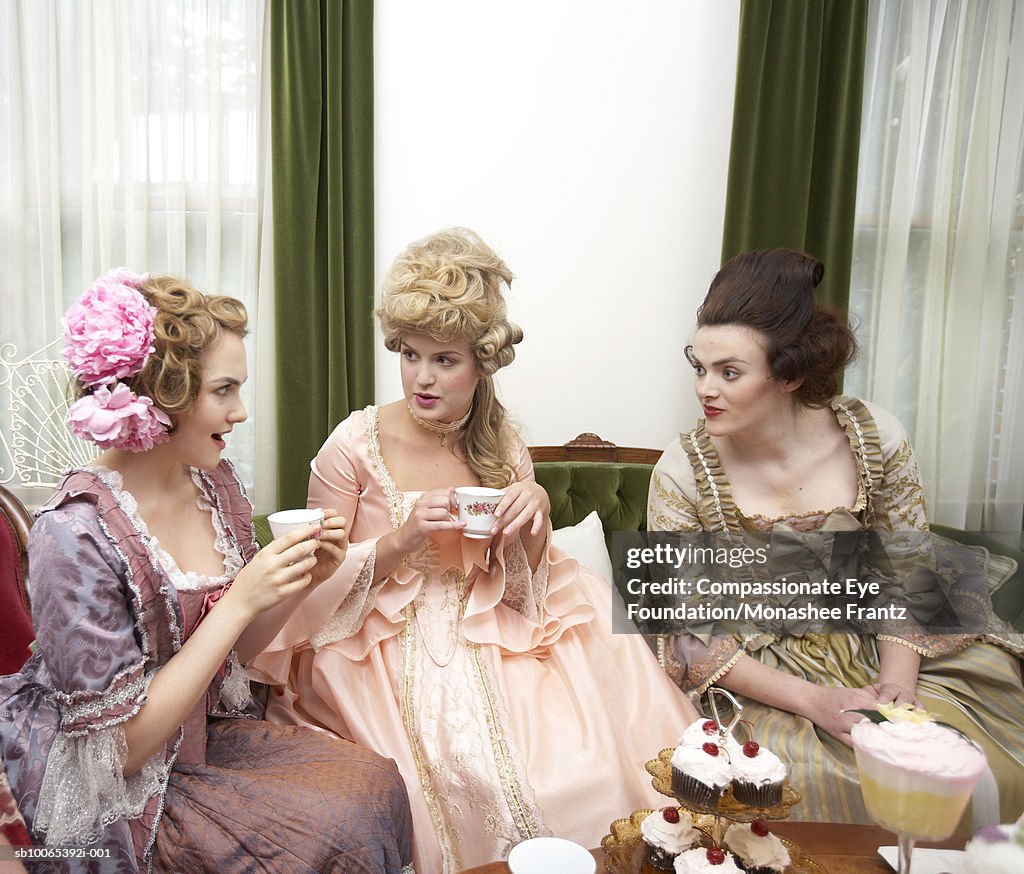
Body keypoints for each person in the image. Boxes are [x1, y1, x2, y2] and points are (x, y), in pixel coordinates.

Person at [249, 228, 701, 873]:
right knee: (430, 778)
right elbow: (311, 580)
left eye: (444, 360)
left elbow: (526, 587)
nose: (421, 378)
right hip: (375, 641)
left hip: (492, 625)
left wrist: (534, 516)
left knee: (579, 769)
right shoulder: (354, 442)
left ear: (481, 362)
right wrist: (402, 540)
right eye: (409, 355)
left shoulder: (504, 443)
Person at [0, 270, 413, 872]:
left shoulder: (215, 485)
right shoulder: (72, 534)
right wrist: (242, 598)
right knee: (332, 831)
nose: (241, 412)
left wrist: (304, 580)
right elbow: (120, 752)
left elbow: (236, 655)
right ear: (159, 394)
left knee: (375, 786)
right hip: (115, 783)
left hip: (200, 732)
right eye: (224, 390)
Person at [646, 247, 1024, 825]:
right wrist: (818, 703)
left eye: (730, 372)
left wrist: (896, 689)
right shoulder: (681, 471)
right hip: (759, 672)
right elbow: (692, 635)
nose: (705, 390)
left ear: (790, 374)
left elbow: (911, 575)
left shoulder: (876, 436)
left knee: (969, 765)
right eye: (699, 367)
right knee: (793, 786)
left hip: (886, 646)